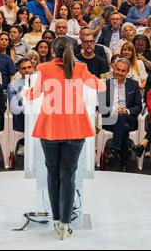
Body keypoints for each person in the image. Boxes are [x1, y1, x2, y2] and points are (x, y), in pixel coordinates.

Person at [25, 36, 106, 240]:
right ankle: (65, 224)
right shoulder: (80, 68)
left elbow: (32, 95)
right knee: (68, 175)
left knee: (53, 174)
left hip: (50, 128)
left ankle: (56, 220)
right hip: (74, 128)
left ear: (53, 51)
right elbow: (100, 86)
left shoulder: (43, 69)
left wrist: (23, 92)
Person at [99, 58, 142, 170]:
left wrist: (126, 111)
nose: (120, 73)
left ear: (127, 72)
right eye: (118, 69)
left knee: (122, 116)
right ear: (113, 68)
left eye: (123, 71)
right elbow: (101, 106)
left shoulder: (133, 85)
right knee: (124, 127)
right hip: (109, 119)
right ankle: (124, 159)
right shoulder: (106, 84)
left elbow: (138, 106)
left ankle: (115, 148)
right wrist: (113, 111)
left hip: (128, 118)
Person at [7, 58, 34, 133]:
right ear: (19, 70)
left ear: (33, 68)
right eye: (23, 68)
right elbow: (13, 106)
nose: (27, 70)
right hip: (22, 115)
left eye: (29, 67)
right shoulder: (12, 85)